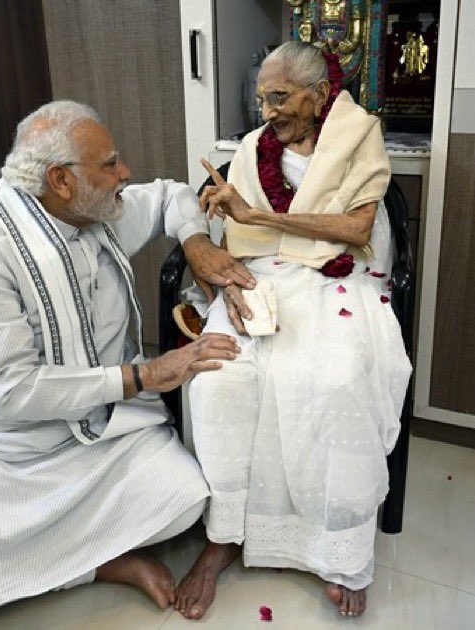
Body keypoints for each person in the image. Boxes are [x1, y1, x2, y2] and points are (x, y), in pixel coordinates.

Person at [0, 100, 253, 624]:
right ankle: (95, 563)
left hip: (97, 437)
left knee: (185, 499)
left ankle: (73, 556)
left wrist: (197, 244)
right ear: (60, 180)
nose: (124, 173)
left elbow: (174, 193)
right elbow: (13, 392)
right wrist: (145, 375)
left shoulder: (101, 214)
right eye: (109, 164)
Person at [175, 41, 412, 619]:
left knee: (333, 381)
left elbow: (357, 228)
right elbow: (235, 241)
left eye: (279, 98)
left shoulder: (359, 134)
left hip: (339, 277)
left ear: (319, 94)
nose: (267, 112)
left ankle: (341, 550)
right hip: (263, 277)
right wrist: (227, 277)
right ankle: (223, 538)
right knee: (218, 381)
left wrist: (261, 217)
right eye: (262, 99)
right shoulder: (252, 149)